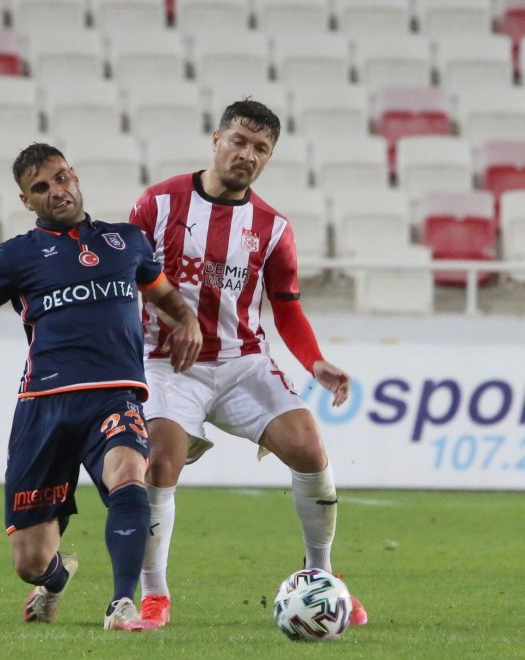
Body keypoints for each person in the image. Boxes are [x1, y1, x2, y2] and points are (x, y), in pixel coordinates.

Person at [0, 143, 202, 631]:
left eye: (60, 178)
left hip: (115, 395)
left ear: (74, 176)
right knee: (30, 562)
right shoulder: (14, 257)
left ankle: (122, 605)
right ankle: (56, 577)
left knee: (128, 473)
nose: (56, 191)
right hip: (44, 407)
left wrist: (188, 322)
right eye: (41, 187)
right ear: (26, 201)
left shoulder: (128, 242)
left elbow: (169, 299)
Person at [129, 99, 368, 629]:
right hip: (168, 366)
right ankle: (155, 597)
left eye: (261, 149)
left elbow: (286, 306)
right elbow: (131, 283)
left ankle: (323, 576)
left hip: (242, 365)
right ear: (216, 140)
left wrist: (315, 362)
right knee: (160, 464)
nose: (247, 154)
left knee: (309, 446)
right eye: (238, 141)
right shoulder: (157, 204)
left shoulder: (273, 228)